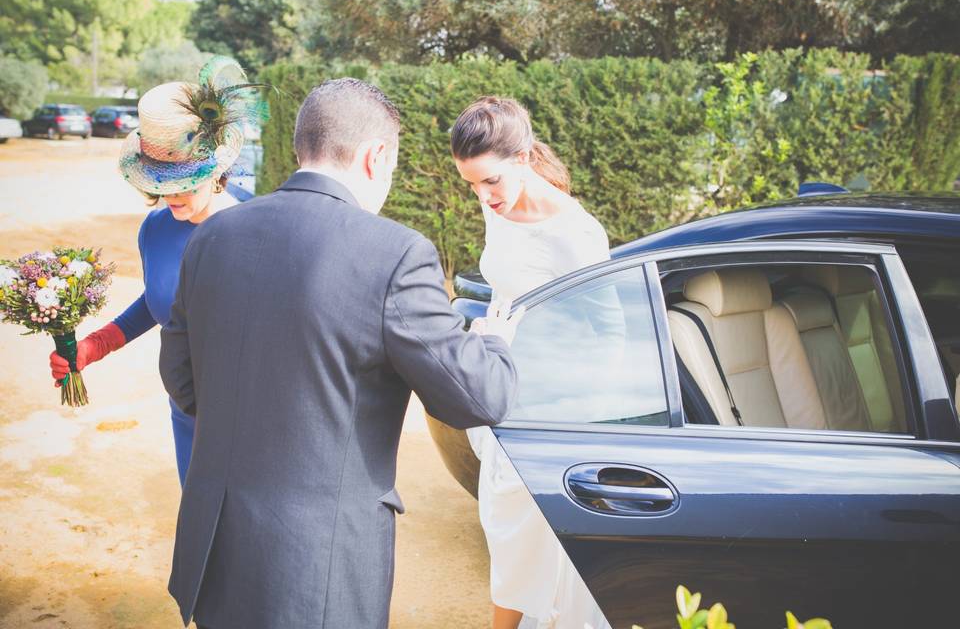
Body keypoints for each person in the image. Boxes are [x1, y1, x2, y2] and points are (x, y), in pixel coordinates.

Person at [158, 78, 525, 629]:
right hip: (317, 569)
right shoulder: (395, 255)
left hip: (218, 547)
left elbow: (181, 381)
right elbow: (480, 396)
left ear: (303, 147)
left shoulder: (213, 236)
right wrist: (494, 339)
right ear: (376, 157)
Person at [48, 56, 257, 486]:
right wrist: (95, 345)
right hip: (189, 414)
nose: (171, 196)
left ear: (216, 169)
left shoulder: (262, 225)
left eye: (184, 181)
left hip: (256, 417)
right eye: (160, 183)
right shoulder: (157, 231)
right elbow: (159, 302)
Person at [451, 96, 613, 629]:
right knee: (507, 527)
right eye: (471, 184)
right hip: (505, 379)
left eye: (490, 181)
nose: (482, 196)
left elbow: (611, 333)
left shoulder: (574, 234)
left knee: (519, 529)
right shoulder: (498, 197)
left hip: (556, 403)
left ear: (522, 159)